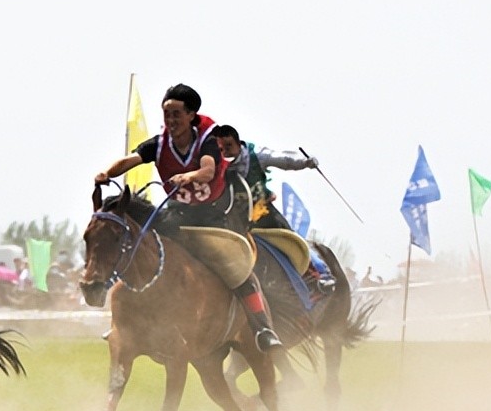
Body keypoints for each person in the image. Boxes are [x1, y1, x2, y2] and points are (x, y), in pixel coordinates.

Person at [94, 83, 282, 352]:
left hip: (214, 218)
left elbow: (208, 171)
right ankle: (124, 320)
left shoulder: (209, 141)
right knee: (139, 247)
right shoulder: (159, 144)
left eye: (176, 114)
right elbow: (131, 160)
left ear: (191, 115)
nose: (171, 120)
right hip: (178, 215)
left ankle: (263, 328)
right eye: (167, 114)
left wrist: (189, 176)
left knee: (238, 270)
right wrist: (107, 173)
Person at [215, 124, 336, 293]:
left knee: (294, 239)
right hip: (236, 220)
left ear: (238, 143)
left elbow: (282, 159)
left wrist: (304, 162)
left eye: (229, 146)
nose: (225, 153)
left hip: (264, 214)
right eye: (221, 149)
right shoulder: (215, 163)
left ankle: (322, 274)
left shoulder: (257, 155)